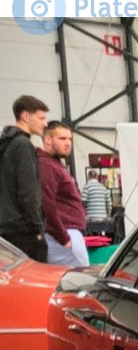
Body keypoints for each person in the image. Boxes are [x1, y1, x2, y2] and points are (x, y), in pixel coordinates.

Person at [0, 95, 48, 262]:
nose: (45, 123)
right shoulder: (23, 145)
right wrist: (38, 229)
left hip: (6, 233)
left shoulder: (6, 145)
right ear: (26, 116)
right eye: (41, 118)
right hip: (24, 233)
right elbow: (28, 193)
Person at [39, 121, 87, 266]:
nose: (68, 143)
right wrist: (64, 238)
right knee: (80, 282)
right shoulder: (46, 165)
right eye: (62, 139)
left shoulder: (55, 164)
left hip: (67, 234)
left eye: (70, 139)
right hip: (63, 235)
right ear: (47, 139)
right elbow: (47, 203)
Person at [82, 169, 112, 235]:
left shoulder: (86, 187)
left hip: (90, 219)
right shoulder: (103, 188)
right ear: (97, 177)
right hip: (103, 218)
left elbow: (82, 203)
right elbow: (109, 204)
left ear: (88, 177)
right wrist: (108, 215)